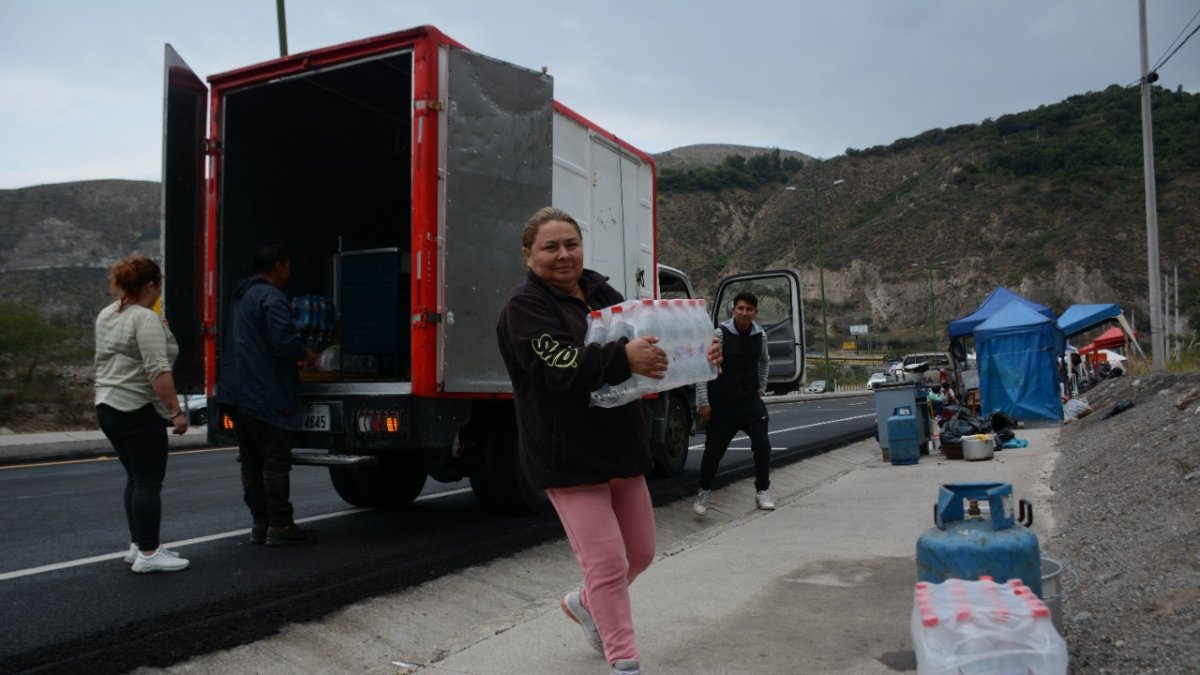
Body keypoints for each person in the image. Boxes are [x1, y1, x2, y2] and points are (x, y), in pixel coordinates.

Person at [496, 207, 719, 675]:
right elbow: (559, 365)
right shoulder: (524, 308)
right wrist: (623, 357)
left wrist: (701, 351)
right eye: (550, 247)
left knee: (639, 553)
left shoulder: (601, 292)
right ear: (527, 255)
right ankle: (624, 661)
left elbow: (650, 346)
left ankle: (584, 603)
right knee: (608, 563)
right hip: (569, 457)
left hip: (620, 446)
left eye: (570, 244)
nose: (563, 255)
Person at [94, 255, 191, 574]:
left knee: (135, 477)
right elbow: (158, 371)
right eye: (159, 285)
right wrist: (175, 411)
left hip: (107, 406)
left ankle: (139, 546)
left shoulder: (108, 314)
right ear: (151, 285)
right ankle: (150, 554)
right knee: (149, 480)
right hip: (138, 408)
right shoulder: (144, 318)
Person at [218, 244, 317, 546]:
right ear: (278, 265)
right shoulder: (272, 297)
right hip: (263, 391)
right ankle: (281, 525)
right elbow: (284, 342)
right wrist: (308, 354)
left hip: (235, 391)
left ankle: (259, 523)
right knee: (275, 461)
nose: (289, 272)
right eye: (288, 265)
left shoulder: (241, 296)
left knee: (251, 462)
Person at [693, 291, 774, 515]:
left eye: (749, 309)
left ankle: (762, 492)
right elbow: (704, 367)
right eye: (740, 308)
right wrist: (703, 401)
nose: (744, 313)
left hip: (749, 401)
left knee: (763, 445)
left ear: (755, 312)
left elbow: (765, 362)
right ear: (733, 310)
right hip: (722, 403)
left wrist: (761, 388)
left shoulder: (761, 336)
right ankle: (704, 493)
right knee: (713, 452)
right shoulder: (720, 333)